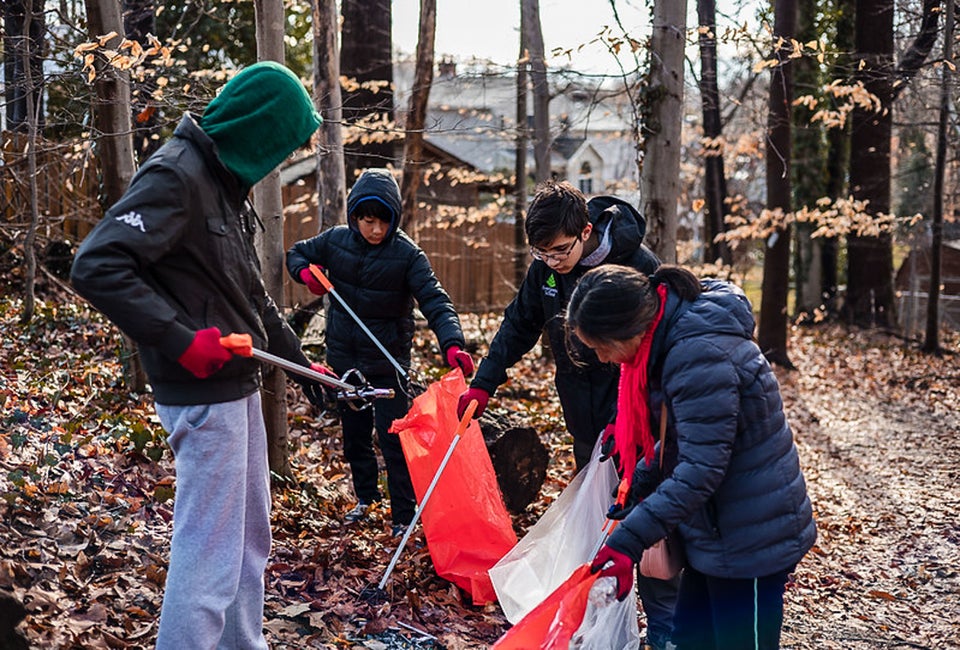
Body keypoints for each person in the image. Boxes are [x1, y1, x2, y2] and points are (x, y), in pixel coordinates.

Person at [70, 61, 329, 649]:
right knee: (210, 557)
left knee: (247, 543)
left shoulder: (222, 184)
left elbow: (249, 295)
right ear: (257, 127)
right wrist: (183, 341)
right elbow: (98, 264)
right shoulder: (177, 175)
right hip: (201, 397)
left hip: (238, 388)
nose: (282, 158)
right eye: (283, 144)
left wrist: (303, 362)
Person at [455, 180, 674, 649]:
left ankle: (660, 627)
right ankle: (598, 623)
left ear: (587, 231)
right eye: (541, 254)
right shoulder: (546, 271)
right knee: (597, 522)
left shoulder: (638, 267)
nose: (551, 262)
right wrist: (483, 383)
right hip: (581, 412)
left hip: (635, 420)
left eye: (558, 251)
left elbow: (659, 354)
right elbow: (519, 323)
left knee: (645, 523)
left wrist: (632, 417)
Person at [568, 264, 818, 650]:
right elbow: (680, 440)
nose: (603, 359)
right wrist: (639, 490)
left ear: (627, 330)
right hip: (714, 532)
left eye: (602, 347)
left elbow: (701, 469)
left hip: (750, 537)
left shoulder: (696, 354)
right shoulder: (670, 343)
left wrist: (630, 540)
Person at [286, 167, 473, 537]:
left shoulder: (407, 255)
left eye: (382, 223)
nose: (374, 230)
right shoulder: (336, 241)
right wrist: (305, 274)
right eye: (367, 220)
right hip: (344, 359)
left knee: (393, 438)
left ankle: (403, 514)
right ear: (355, 217)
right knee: (355, 435)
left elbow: (435, 301)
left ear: (394, 221)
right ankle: (365, 498)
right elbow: (296, 253)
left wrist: (452, 343)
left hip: (386, 362)